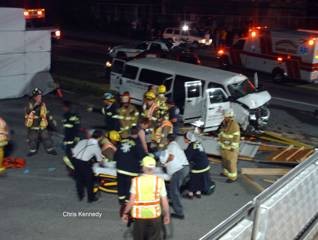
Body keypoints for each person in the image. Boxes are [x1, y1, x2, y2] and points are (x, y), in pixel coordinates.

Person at [122, 156, 170, 240]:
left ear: (143, 167)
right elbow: (165, 201)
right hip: (155, 215)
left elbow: (131, 201)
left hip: (140, 216)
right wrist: (167, 215)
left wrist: (125, 213)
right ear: (154, 168)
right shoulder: (160, 181)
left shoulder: (136, 181)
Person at [160, 134, 189, 219]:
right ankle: (173, 200)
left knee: (174, 191)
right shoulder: (175, 144)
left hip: (179, 170)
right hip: (183, 168)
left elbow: (171, 157)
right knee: (173, 187)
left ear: (167, 140)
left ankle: (180, 213)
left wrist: (164, 163)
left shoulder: (171, 145)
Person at [114, 127, 146, 204]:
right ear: (138, 133)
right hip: (131, 170)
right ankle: (128, 202)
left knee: (121, 185)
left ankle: (121, 200)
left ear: (130, 133)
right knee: (129, 187)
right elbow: (142, 156)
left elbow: (116, 155)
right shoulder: (137, 143)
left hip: (120, 168)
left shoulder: (122, 141)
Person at [72, 130, 104, 202]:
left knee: (79, 180)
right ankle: (91, 198)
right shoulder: (96, 147)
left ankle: (80, 196)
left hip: (75, 161)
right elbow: (100, 160)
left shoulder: (82, 141)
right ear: (100, 138)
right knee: (90, 181)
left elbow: (74, 151)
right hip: (84, 163)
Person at [25, 88, 57, 156]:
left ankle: (50, 150)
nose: (40, 97)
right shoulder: (30, 104)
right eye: (39, 96)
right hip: (33, 126)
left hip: (42, 125)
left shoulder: (43, 104)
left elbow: (46, 112)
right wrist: (34, 106)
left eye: (40, 96)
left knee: (47, 138)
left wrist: (52, 120)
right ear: (34, 97)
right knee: (33, 139)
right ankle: (32, 151)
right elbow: (27, 112)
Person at [184, 132, 215, 198]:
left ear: (188, 139)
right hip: (205, 164)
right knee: (201, 178)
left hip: (198, 166)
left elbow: (187, 158)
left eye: (185, 139)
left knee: (193, 178)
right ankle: (198, 192)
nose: (184, 140)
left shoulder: (191, 146)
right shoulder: (197, 143)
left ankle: (190, 194)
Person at [218, 109, 240, 183]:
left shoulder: (234, 125)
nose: (223, 117)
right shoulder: (225, 123)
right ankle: (226, 173)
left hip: (230, 149)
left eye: (225, 116)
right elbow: (222, 132)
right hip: (224, 147)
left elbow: (236, 138)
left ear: (229, 116)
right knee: (225, 162)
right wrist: (219, 139)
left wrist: (233, 147)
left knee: (231, 163)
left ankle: (233, 177)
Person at [62, 100, 81, 171]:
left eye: (64, 107)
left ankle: (74, 167)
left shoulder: (67, 116)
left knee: (69, 154)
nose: (63, 109)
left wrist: (68, 139)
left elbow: (71, 129)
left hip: (71, 138)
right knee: (70, 153)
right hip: (71, 138)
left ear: (66, 107)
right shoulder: (71, 116)